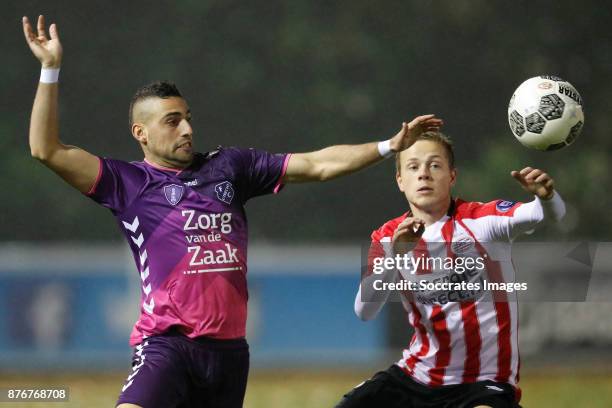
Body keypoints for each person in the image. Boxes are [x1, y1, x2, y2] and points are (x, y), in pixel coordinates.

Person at [22, 14, 443, 408]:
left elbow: (316, 164)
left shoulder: (230, 167)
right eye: (172, 121)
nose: (187, 128)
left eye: (187, 118)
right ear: (141, 133)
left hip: (229, 354)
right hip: (167, 345)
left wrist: (390, 146)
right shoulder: (126, 183)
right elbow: (46, 150)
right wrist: (50, 70)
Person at [336, 131, 566, 408]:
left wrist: (547, 197)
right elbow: (364, 310)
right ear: (400, 181)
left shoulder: (482, 221)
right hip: (415, 378)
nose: (424, 174)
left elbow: (544, 214)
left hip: (484, 383)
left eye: (435, 165)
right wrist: (395, 254)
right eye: (413, 167)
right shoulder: (387, 236)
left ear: (452, 176)